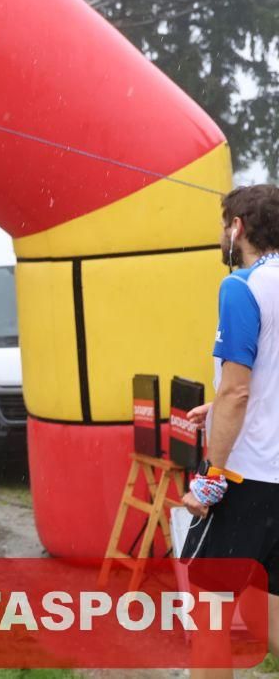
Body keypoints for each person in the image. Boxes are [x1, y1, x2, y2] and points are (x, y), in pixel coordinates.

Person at [182, 184, 279, 675]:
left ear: (238, 227)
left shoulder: (241, 286)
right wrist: (217, 403)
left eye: (225, 225)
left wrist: (210, 476)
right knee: (267, 612)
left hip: (248, 477)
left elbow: (239, 391)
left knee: (209, 618)